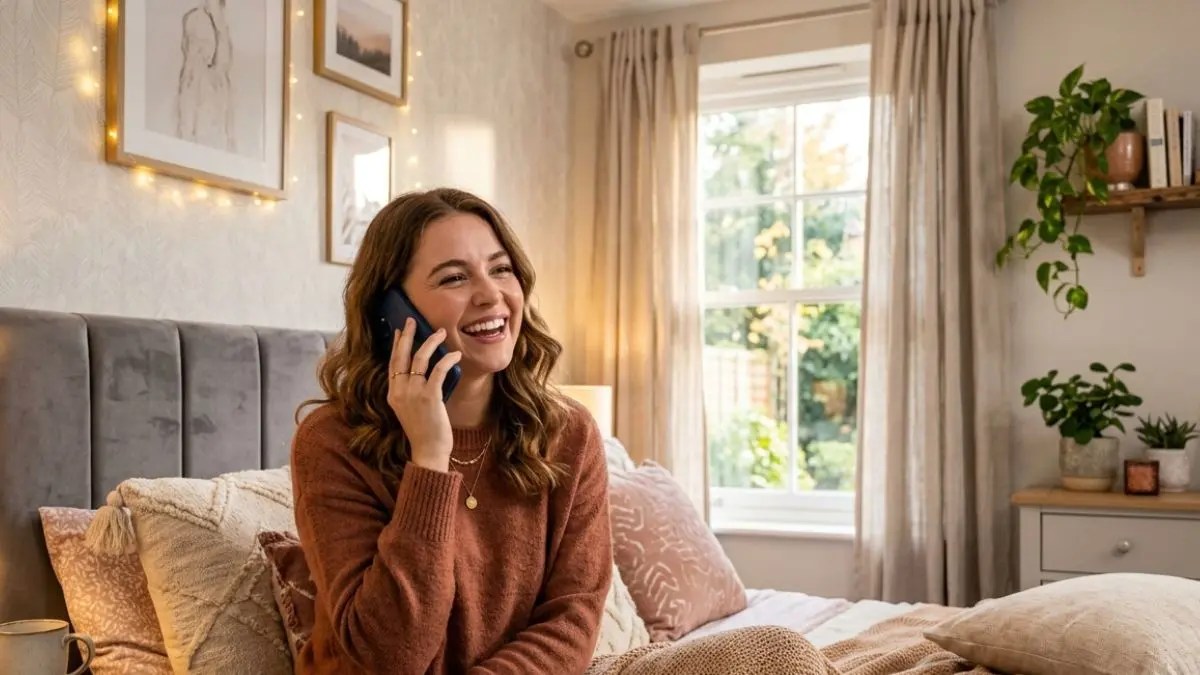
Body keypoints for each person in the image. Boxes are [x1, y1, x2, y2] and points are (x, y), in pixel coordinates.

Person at [291, 188, 613, 674]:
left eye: (500, 269)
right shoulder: (332, 444)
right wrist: (429, 459)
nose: (491, 295)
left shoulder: (569, 433)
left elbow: (573, 618)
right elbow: (388, 658)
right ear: (392, 314)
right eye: (455, 278)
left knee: (767, 649)